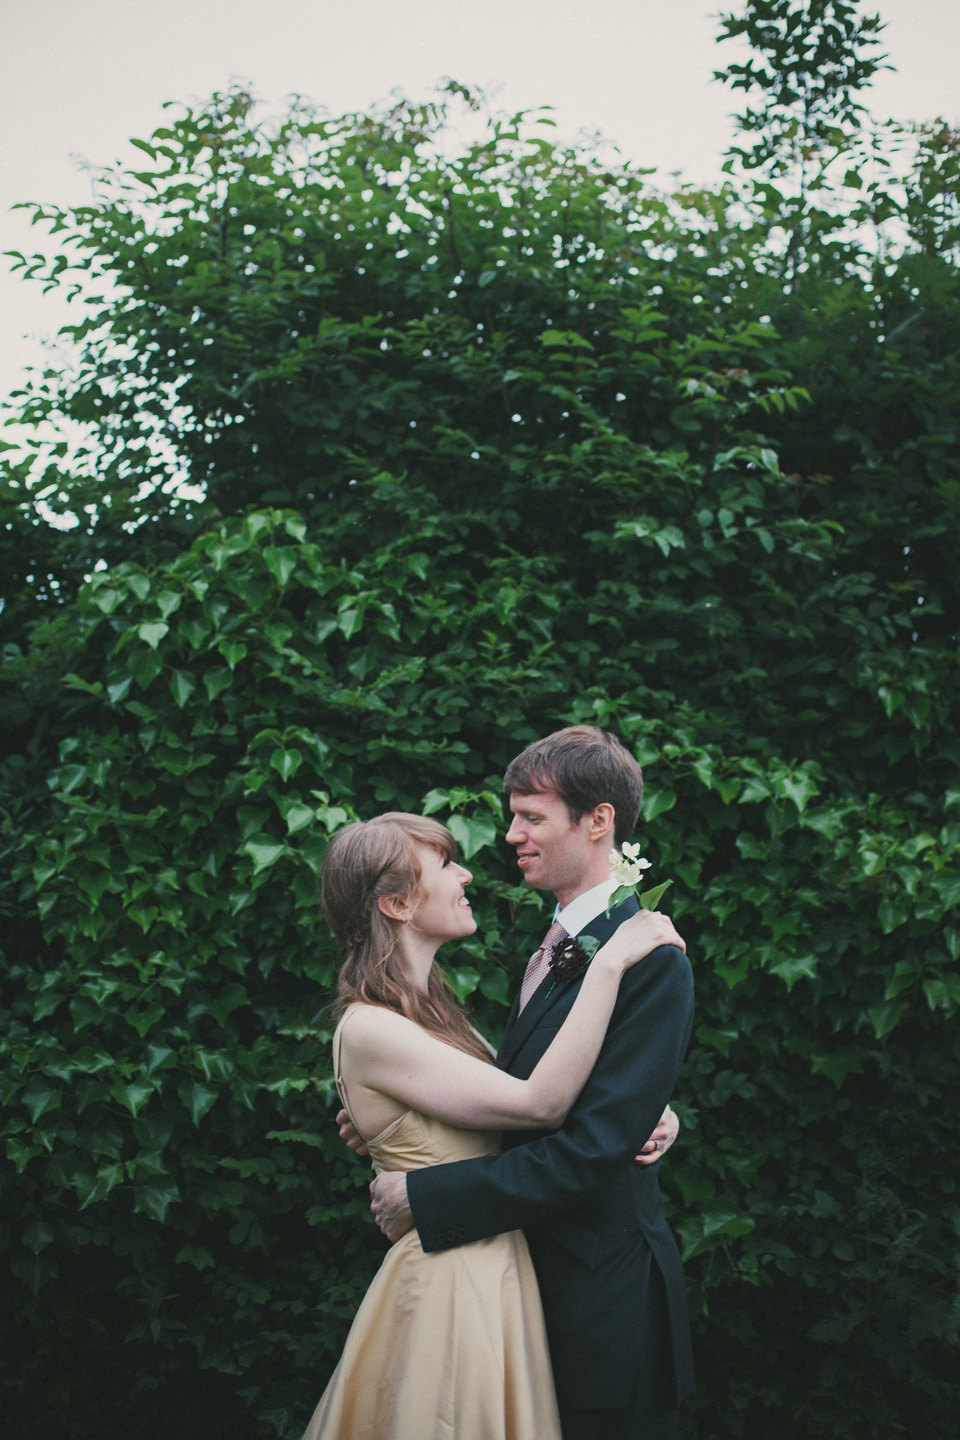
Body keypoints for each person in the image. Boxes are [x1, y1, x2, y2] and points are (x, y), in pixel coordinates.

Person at [303, 810, 684, 1440]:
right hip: (451, 1282)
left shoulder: (443, 1022)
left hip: (501, 1273)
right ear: (398, 903)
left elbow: (502, 1109)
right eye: (447, 864)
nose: (468, 872)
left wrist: (647, 1112)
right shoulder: (371, 1026)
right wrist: (610, 964)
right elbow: (539, 1103)